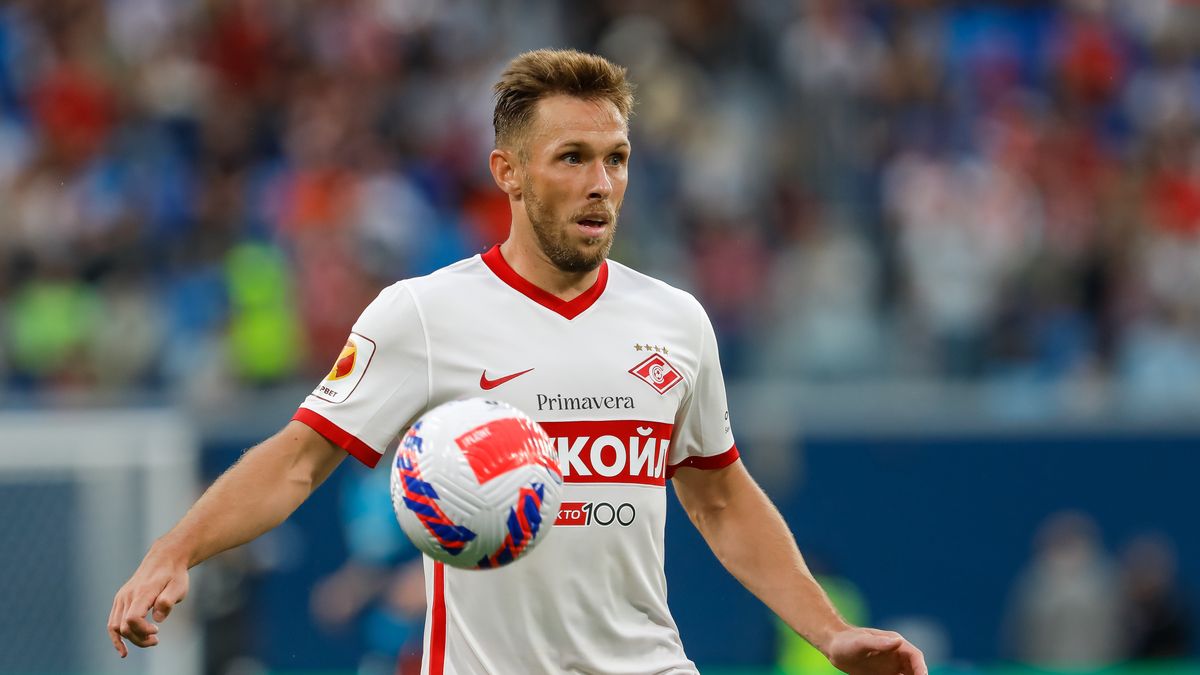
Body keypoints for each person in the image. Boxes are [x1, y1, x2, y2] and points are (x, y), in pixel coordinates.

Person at [109, 49, 927, 675]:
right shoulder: (425, 315)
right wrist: (173, 552)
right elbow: (297, 460)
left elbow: (718, 495)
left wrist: (829, 631)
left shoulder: (676, 322)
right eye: (572, 157)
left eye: (616, 157)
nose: (601, 182)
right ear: (508, 172)